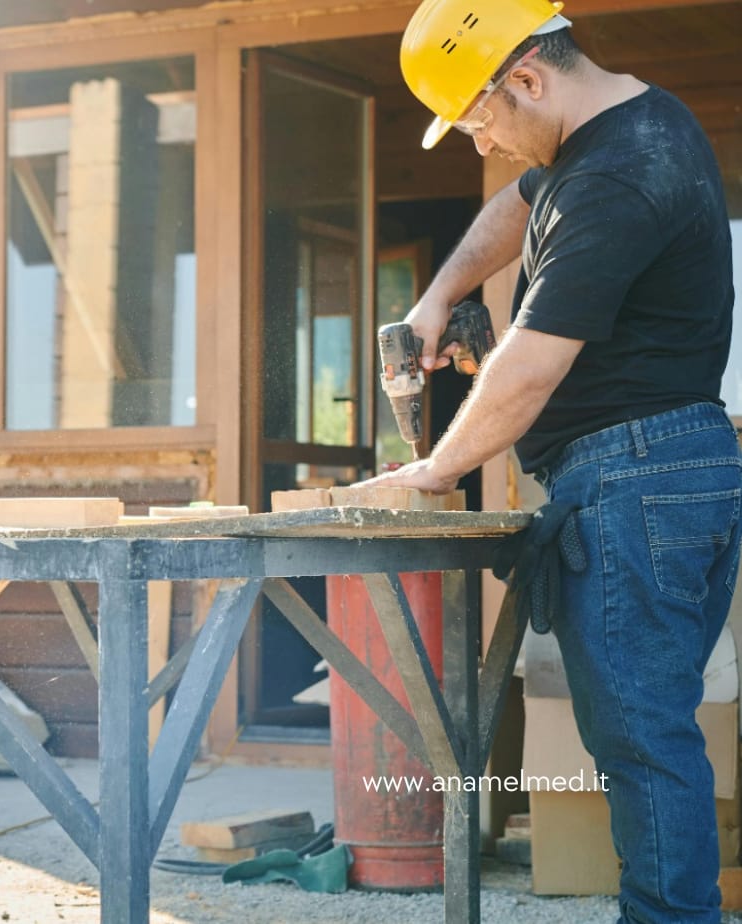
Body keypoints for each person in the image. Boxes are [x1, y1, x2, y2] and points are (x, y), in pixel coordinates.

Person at [368, 0, 738, 919]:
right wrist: (440, 295)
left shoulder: (616, 176)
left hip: (636, 474)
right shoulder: (620, 133)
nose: (483, 138)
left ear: (526, 78)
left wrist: (435, 467)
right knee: (645, 730)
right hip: (656, 466)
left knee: (643, 739)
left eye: (479, 118)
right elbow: (516, 203)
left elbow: (530, 365)